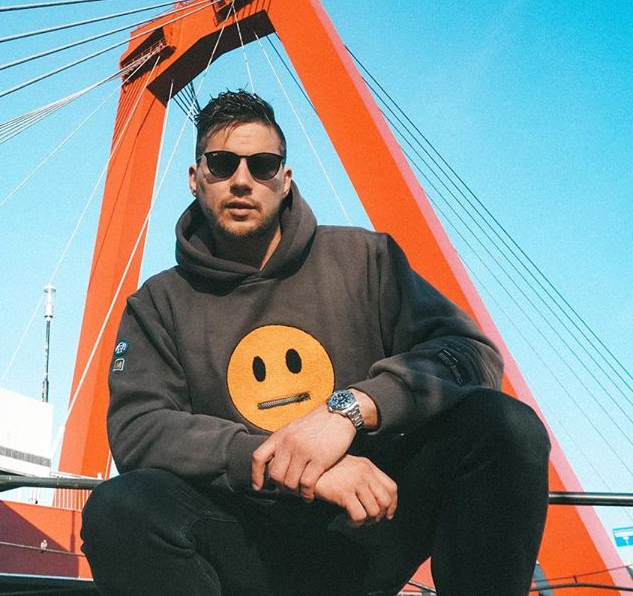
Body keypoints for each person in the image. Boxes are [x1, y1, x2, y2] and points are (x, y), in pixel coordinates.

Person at [80, 90, 550, 595]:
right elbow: (139, 428)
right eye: (222, 163)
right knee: (120, 508)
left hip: (368, 518)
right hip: (244, 536)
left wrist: (349, 411)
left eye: (262, 165)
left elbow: (470, 353)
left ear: (285, 180)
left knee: (504, 426)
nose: (242, 180)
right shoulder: (157, 303)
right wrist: (288, 465)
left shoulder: (364, 259)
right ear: (195, 178)